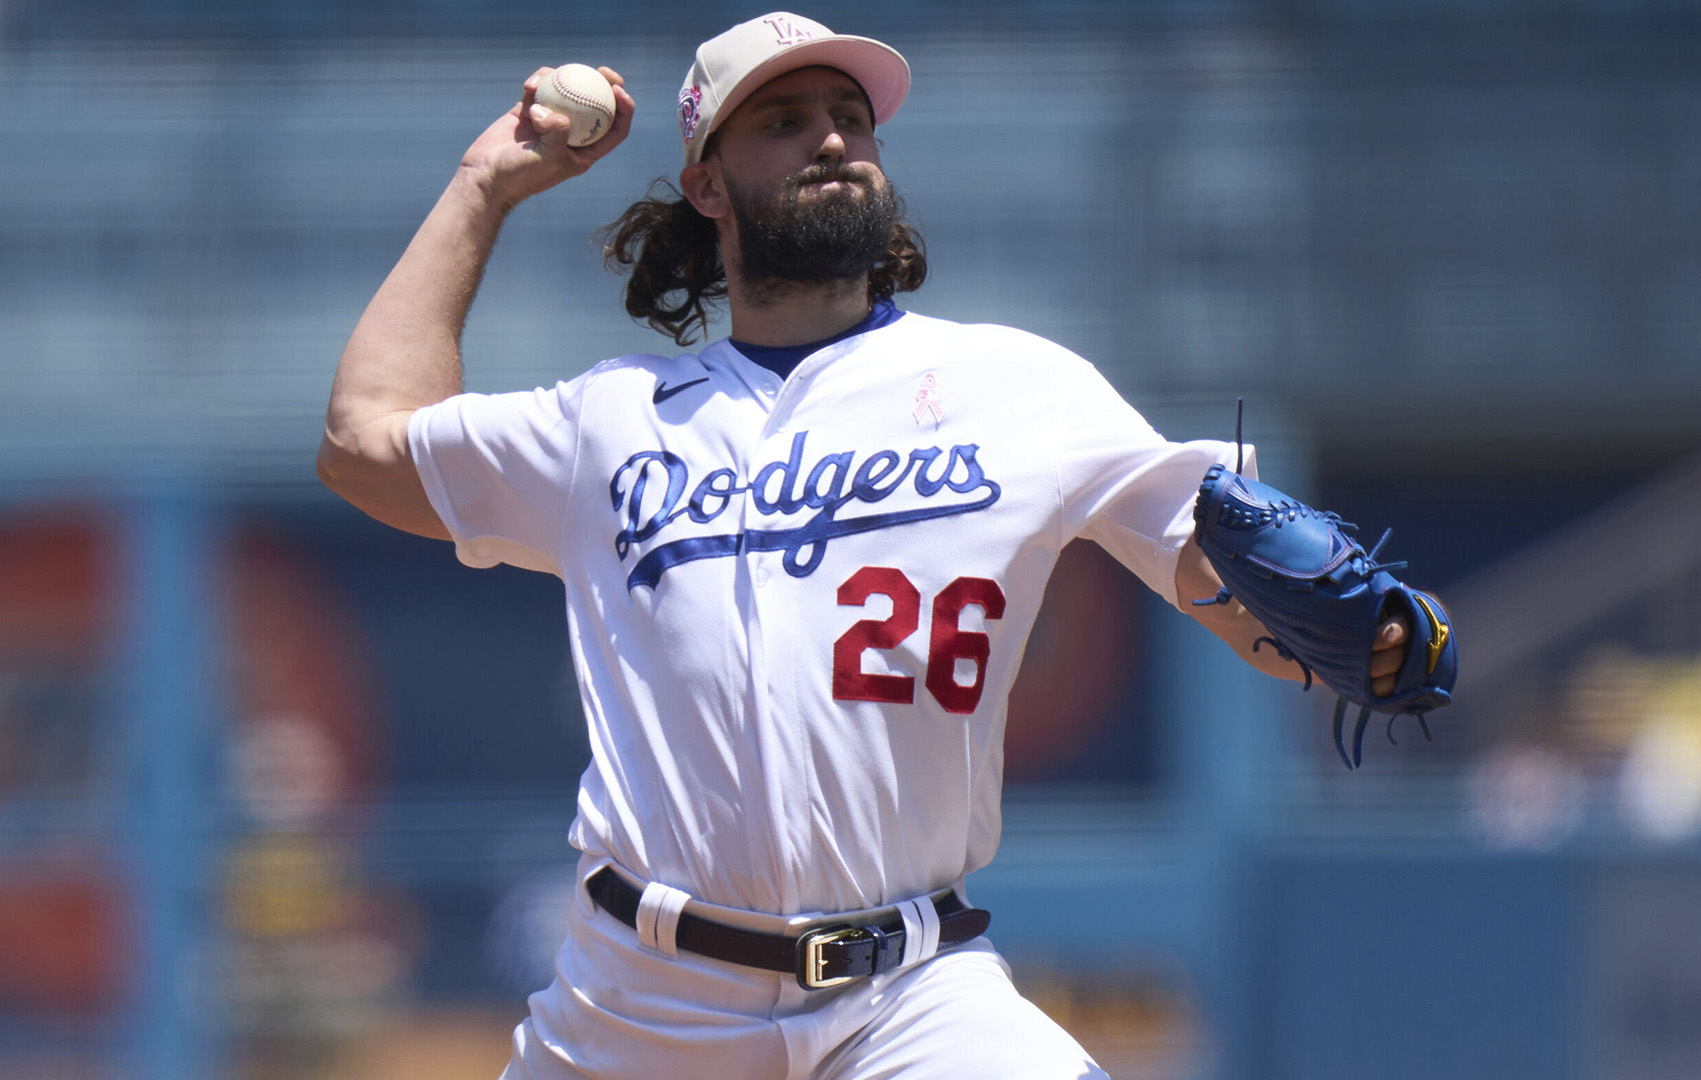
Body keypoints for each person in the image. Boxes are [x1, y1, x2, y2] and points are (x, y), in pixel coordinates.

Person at [318, 12, 1412, 1079]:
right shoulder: (610, 420)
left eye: (850, 114)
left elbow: (1228, 584)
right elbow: (363, 443)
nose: (831, 136)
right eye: (782, 122)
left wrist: (1364, 646)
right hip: (642, 1007)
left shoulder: (1018, 386)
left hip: (913, 996)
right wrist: (482, 187)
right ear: (708, 187)